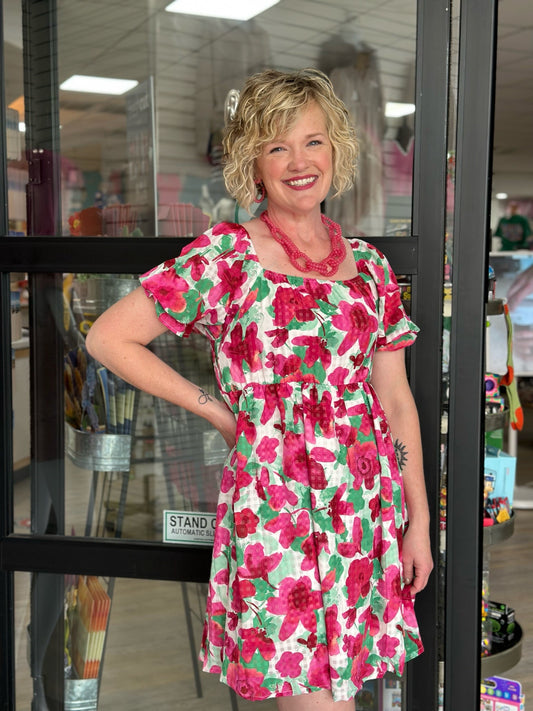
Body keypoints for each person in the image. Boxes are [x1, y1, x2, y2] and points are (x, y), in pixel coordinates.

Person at [86, 68, 433, 709]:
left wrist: (419, 521)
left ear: (337, 151)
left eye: (313, 142)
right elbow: (109, 338)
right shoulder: (228, 256)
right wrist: (218, 413)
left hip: (363, 505)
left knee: (344, 689)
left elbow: (396, 401)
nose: (299, 162)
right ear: (254, 162)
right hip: (278, 504)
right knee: (311, 695)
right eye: (277, 146)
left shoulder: (372, 267)